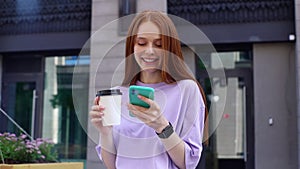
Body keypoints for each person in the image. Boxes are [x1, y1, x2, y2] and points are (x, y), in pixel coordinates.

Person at [90, 10, 207, 169]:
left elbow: (188, 163)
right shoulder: (118, 94)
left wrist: (162, 127)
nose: (150, 51)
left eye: (159, 44)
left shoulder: (187, 90)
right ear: (132, 47)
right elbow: (112, 165)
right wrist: (105, 132)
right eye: (142, 43)